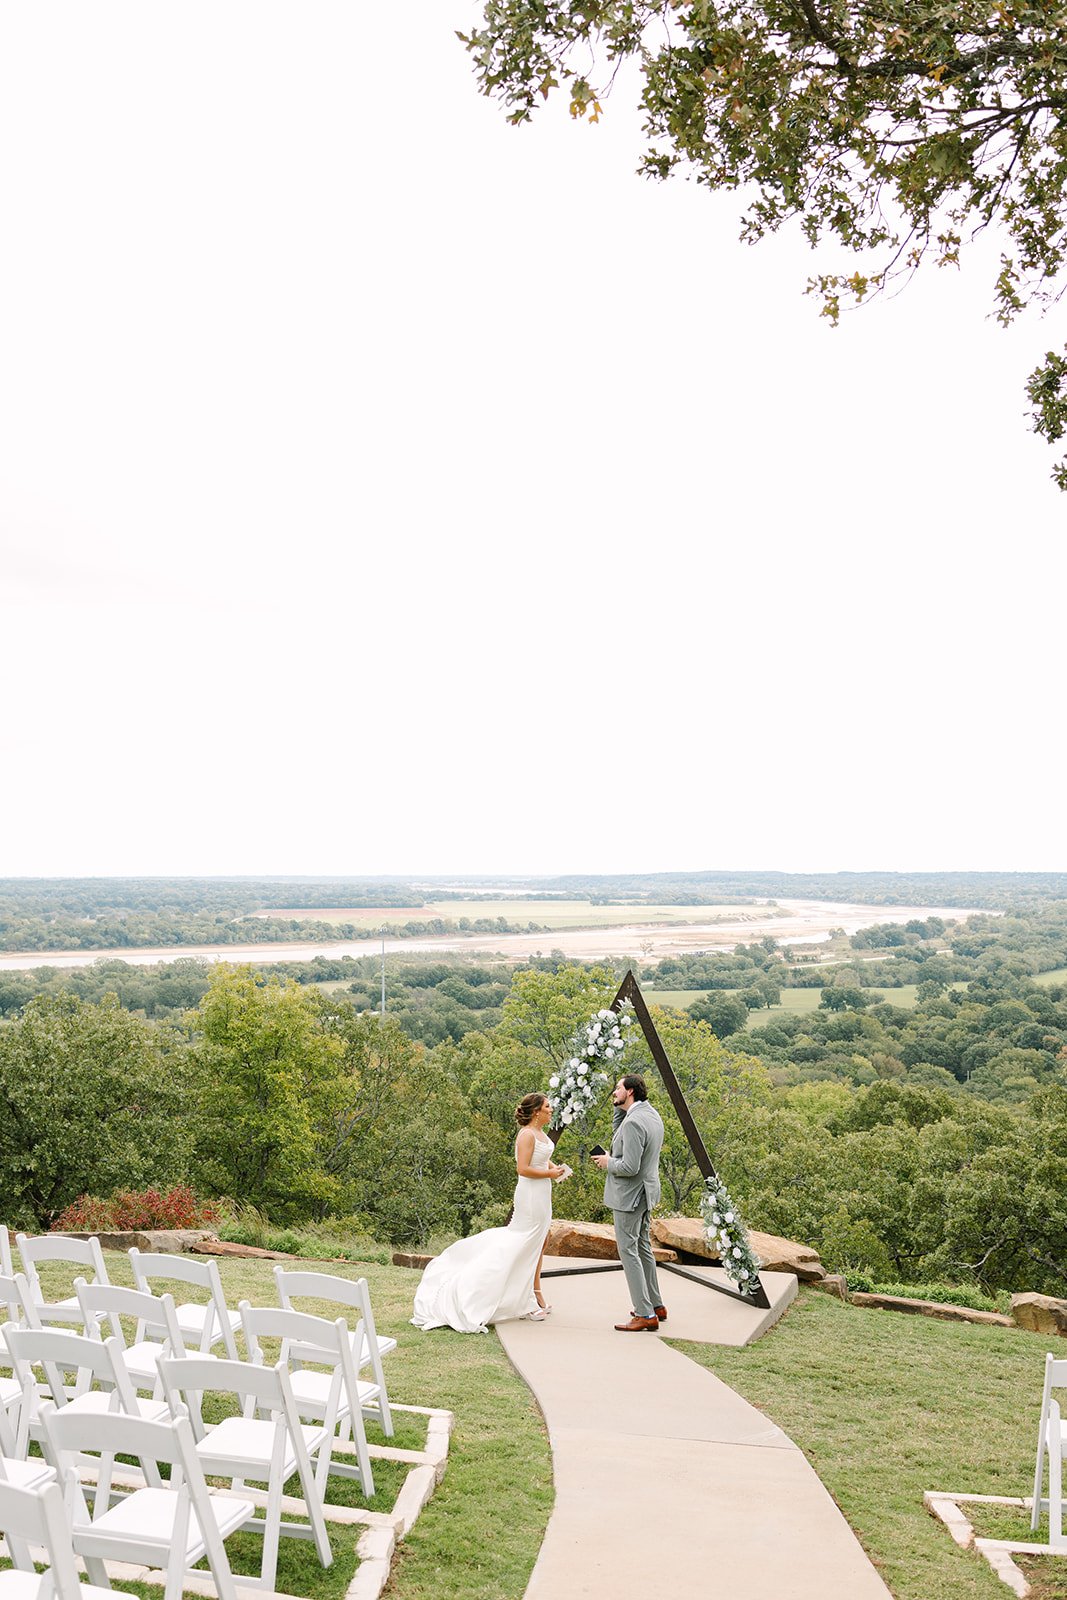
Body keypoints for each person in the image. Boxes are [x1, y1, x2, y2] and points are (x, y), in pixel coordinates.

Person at [411, 1091, 566, 1334]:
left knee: (539, 1242)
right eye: (547, 1107)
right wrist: (549, 1174)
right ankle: (518, 1296)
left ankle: (534, 1293)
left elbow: (541, 1158)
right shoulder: (526, 1134)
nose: (550, 1110)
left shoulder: (541, 1133)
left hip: (543, 1194)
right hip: (530, 1195)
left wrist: (553, 1167)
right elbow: (523, 1168)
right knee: (524, 1242)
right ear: (536, 1111)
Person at [591, 1073, 666, 1332]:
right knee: (643, 1246)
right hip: (647, 1192)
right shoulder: (650, 1114)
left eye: (618, 1088)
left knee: (628, 1250)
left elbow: (630, 1166)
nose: (614, 1091)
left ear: (631, 1091)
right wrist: (619, 1109)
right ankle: (656, 1304)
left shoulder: (634, 1123)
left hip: (630, 1195)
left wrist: (607, 1163)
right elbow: (619, 1137)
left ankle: (644, 1313)